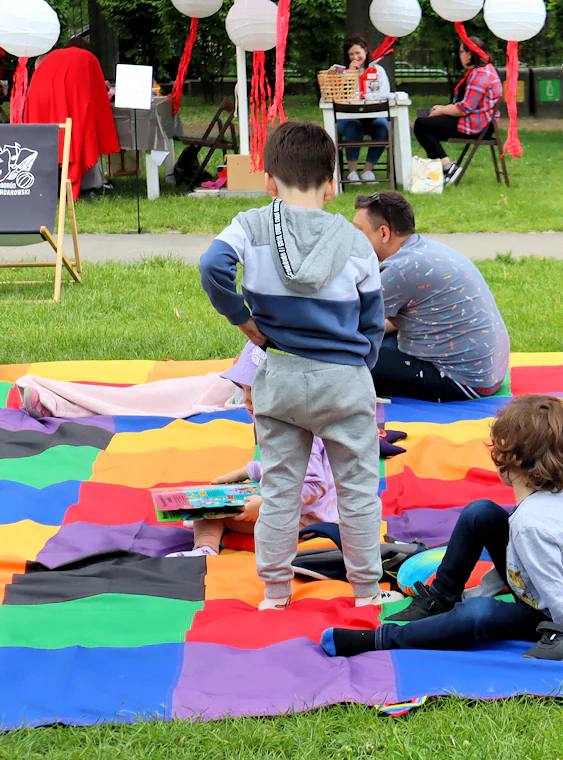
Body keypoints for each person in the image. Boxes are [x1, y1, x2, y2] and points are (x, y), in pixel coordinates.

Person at [198, 120, 390, 611]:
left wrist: (243, 320)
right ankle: (367, 592)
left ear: (268, 180)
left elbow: (211, 267)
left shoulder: (250, 225)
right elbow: (372, 321)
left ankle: (276, 595)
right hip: (344, 383)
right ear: (332, 183)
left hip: (279, 379)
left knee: (279, 492)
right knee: (358, 491)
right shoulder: (356, 242)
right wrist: (359, 367)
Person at [321, 395, 563, 659]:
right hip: (556, 596)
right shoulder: (554, 500)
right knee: (480, 513)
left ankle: (380, 640)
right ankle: (440, 599)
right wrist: (481, 590)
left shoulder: (530, 523)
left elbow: (555, 588)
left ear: (507, 458)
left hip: (557, 618)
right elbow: (525, 564)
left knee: (479, 614)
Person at [167, 343, 340, 558]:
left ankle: (205, 548)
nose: (247, 400)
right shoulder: (288, 419)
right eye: (243, 389)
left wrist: (266, 504)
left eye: (256, 390)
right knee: (213, 499)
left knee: (211, 512)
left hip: (303, 524)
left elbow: (314, 485)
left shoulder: (300, 430)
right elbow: (288, 465)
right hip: (295, 510)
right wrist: (247, 472)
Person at [351, 191, 510, 401]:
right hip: (487, 371)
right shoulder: (424, 249)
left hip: (460, 380)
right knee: (369, 343)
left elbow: (349, 322)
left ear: (383, 233)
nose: (353, 240)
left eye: (359, 232)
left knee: (347, 362)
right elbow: (388, 321)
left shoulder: (400, 269)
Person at [24, 43, 119, 198]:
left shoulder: (52, 58)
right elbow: (98, 95)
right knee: (82, 135)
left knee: (49, 140)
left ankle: (48, 183)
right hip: (68, 99)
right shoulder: (88, 58)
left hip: (39, 100)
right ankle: (89, 181)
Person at [411, 37, 502, 186]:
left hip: (476, 127)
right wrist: (443, 109)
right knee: (423, 125)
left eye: (461, 52)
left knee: (421, 124)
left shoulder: (481, 75)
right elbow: (467, 105)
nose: (459, 55)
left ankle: (448, 167)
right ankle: (443, 168)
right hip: (478, 123)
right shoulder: (485, 70)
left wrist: (442, 111)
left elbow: (465, 108)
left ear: (470, 54)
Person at [335, 35, 391, 184]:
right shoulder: (342, 73)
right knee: (353, 126)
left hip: (373, 113)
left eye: (358, 53)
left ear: (365, 51)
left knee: (382, 127)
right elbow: (340, 95)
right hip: (349, 116)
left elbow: (384, 93)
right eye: (351, 54)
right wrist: (350, 75)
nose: (355, 57)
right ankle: (352, 171)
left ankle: (368, 170)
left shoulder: (377, 70)